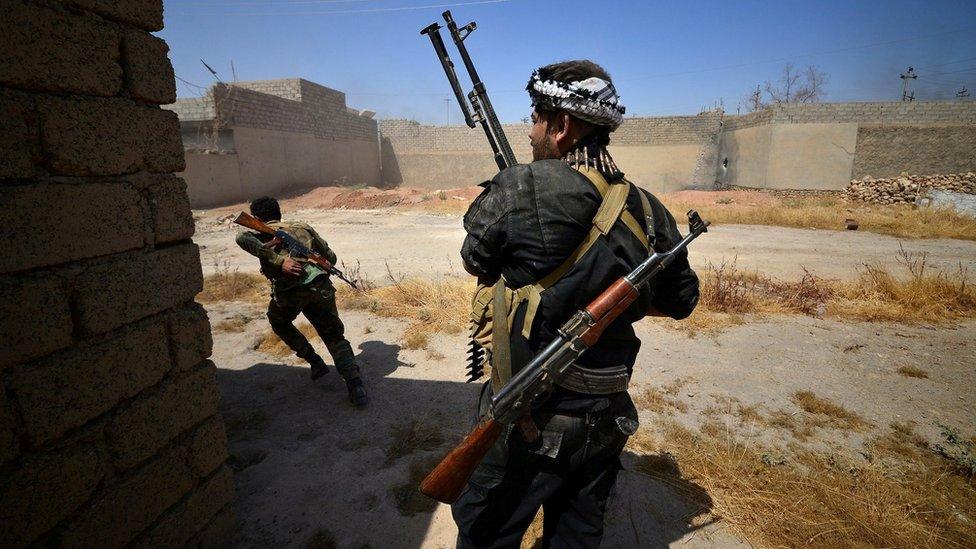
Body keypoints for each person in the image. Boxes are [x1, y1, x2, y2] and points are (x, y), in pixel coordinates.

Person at [452, 60, 700, 547]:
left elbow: (475, 256)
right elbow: (682, 300)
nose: (529, 131)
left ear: (562, 126)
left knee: (487, 533)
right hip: (607, 414)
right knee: (578, 534)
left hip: (529, 412)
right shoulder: (648, 208)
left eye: (536, 117)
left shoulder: (521, 187)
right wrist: (615, 303)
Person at [235, 196, 368, 408]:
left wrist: (283, 260)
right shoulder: (301, 227)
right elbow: (331, 257)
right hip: (319, 289)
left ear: (257, 218)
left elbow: (241, 238)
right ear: (278, 213)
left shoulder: (259, 234)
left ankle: (314, 361)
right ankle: (355, 385)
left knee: (278, 321)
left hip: (290, 294)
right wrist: (281, 261)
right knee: (334, 337)